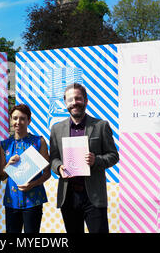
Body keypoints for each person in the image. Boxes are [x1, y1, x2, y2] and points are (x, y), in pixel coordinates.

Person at [49, 83, 119, 233]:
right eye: (70, 99)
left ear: (86, 101)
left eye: (78, 98)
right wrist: (59, 167)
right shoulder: (56, 129)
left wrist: (96, 161)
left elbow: (113, 156)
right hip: (68, 196)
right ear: (65, 103)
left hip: (93, 196)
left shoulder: (101, 125)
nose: (74, 102)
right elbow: (53, 158)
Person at [0, 104, 50, 233]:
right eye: (15, 118)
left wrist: (32, 184)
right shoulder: (5, 145)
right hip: (12, 201)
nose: (18, 122)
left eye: (22, 118)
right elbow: (1, 176)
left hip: (33, 200)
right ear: (10, 120)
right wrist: (8, 165)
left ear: (29, 121)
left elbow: (47, 173)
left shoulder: (39, 142)